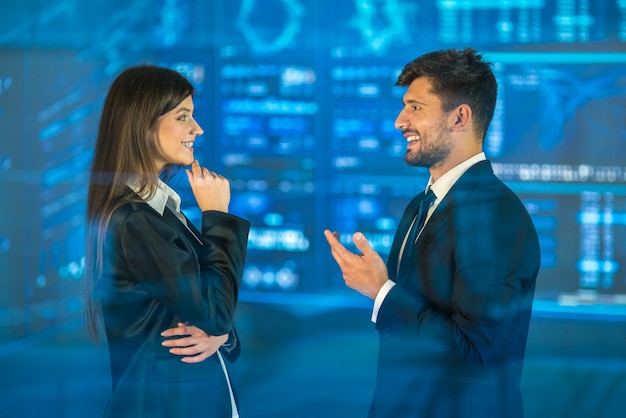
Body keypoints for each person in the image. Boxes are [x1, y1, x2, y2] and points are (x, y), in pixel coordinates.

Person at [324, 48, 540, 418]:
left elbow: (475, 354)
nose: (399, 121)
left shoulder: (494, 214)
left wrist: (381, 292)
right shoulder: (419, 206)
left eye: (416, 108)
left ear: (460, 117)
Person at [83, 65, 250, 418]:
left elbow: (211, 312)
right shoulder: (136, 220)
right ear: (144, 123)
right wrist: (219, 218)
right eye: (183, 116)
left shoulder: (158, 212)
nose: (197, 129)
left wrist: (220, 335)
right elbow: (214, 312)